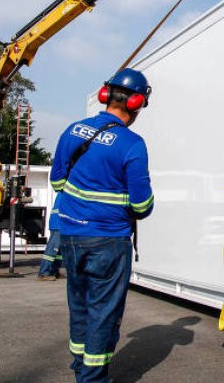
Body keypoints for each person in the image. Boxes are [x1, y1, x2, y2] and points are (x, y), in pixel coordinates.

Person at [49, 68, 154, 382]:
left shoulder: (72, 130)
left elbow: (57, 182)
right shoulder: (132, 144)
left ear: (105, 94)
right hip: (108, 241)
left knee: (79, 306)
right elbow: (141, 206)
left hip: (70, 236)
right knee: (103, 313)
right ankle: (92, 378)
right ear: (136, 103)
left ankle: (80, 366)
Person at [37, 194, 64, 281]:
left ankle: (54, 272)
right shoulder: (66, 191)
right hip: (59, 223)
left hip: (60, 223)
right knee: (53, 249)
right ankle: (43, 273)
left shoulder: (64, 191)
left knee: (59, 251)